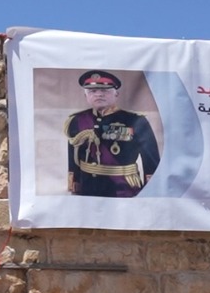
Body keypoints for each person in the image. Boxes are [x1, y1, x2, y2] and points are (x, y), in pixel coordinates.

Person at [65, 70, 161, 198]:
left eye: (105, 90)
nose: (99, 94)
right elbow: (73, 157)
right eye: (93, 91)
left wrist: (151, 190)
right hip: (88, 187)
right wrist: (74, 185)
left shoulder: (135, 120)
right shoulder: (76, 120)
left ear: (116, 94)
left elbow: (151, 160)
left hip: (123, 188)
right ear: (85, 96)